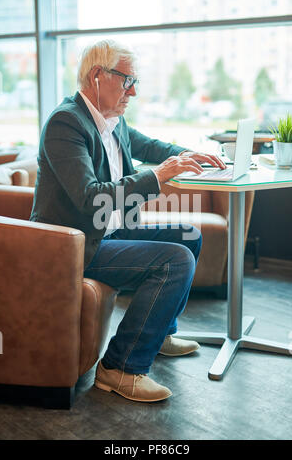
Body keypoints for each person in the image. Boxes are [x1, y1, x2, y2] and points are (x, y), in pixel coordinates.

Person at [30, 40, 226, 403]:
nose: (133, 91)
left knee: (189, 237)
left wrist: (188, 154)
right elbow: (90, 196)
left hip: (109, 231)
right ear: (97, 76)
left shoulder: (110, 119)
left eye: (135, 82)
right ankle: (120, 367)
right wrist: (158, 176)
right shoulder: (65, 123)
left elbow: (149, 146)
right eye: (127, 81)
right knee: (175, 260)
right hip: (74, 244)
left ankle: (160, 332)